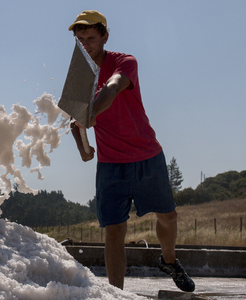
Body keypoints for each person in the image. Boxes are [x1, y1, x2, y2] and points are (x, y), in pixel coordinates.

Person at [68, 10, 195, 292]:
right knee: (113, 231)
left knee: (168, 216)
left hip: (146, 155)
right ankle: (117, 294)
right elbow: (74, 120)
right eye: (80, 40)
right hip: (111, 164)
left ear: (104, 36)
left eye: (90, 38)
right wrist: (82, 148)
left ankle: (169, 261)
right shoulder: (78, 76)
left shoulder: (124, 62)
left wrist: (91, 112)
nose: (85, 44)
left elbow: (113, 88)